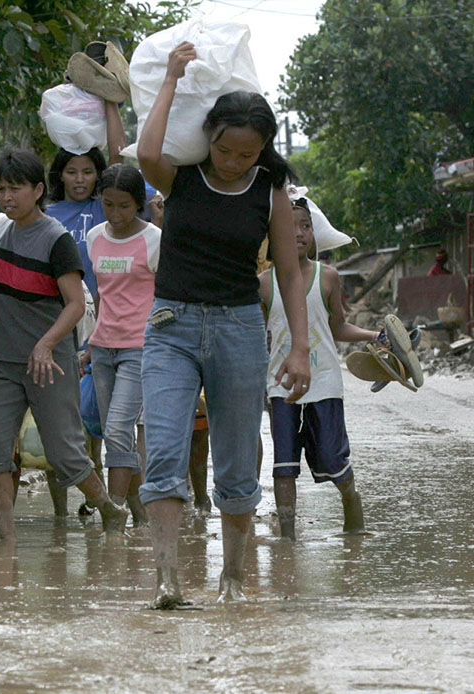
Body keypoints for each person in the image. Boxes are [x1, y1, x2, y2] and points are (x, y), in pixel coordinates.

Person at [136, 41, 311, 607]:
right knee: (163, 449)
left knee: (237, 458)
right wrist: (170, 78)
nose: (234, 161)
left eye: (247, 153)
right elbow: (146, 150)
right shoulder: (179, 179)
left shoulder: (270, 192)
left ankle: (233, 578)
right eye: (224, 149)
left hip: (239, 329)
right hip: (170, 325)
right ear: (207, 137)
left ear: (264, 151)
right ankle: (166, 577)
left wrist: (300, 348)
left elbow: (288, 272)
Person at [0, 148, 128, 542]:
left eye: (15, 189)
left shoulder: (56, 240)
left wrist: (45, 344)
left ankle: (110, 509)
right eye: (1, 189)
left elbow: (76, 305)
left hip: (49, 362)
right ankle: (6, 543)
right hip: (1, 360)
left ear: (38, 189)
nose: (7, 197)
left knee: (65, 454)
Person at [260, 198, 375, 540]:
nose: (298, 233)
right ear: (272, 233)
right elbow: (256, 336)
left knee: (330, 456)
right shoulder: (264, 283)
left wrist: (375, 336)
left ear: (314, 233)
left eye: (305, 226)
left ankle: (351, 502)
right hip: (280, 385)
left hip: (324, 382)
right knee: (283, 464)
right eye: (289, 226)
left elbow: (339, 328)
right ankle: (287, 536)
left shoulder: (328, 277)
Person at [44, 101, 126, 516]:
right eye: (72, 171)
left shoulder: (106, 208)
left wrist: (109, 102)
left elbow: (119, 159)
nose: (80, 179)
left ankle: (106, 498)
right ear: (58, 175)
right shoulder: (47, 214)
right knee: (65, 417)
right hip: (61, 323)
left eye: (88, 171)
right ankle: (68, 509)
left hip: (110, 324)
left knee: (102, 414)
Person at [80, 164, 160, 528]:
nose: (115, 214)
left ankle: (113, 515)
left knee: (117, 429)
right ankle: (140, 513)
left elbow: (168, 295)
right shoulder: (95, 237)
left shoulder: (154, 240)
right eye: (108, 204)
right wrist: (89, 343)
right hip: (102, 347)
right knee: (112, 430)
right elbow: (100, 293)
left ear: (139, 204)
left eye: (124, 206)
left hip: (139, 347)